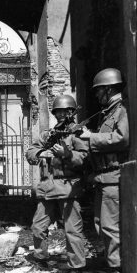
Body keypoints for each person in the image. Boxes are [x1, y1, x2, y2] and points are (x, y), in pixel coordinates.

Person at [26, 95, 88, 271]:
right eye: (58, 112)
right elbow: (31, 150)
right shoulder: (49, 134)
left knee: (72, 230)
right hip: (47, 187)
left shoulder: (77, 133)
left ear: (71, 112)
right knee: (38, 227)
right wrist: (40, 154)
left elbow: (84, 158)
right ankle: (41, 258)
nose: (61, 115)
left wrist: (66, 153)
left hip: (68, 187)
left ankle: (77, 265)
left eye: (65, 112)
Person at [79, 68, 129, 271]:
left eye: (99, 91)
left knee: (110, 227)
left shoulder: (121, 110)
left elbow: (122, 139)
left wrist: (91, 137)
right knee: (101, 225)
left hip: (113, 177)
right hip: (103, 178)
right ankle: (113, 263)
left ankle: (117, 267)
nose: (97, 95)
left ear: (108, 89)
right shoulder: (108, 112)